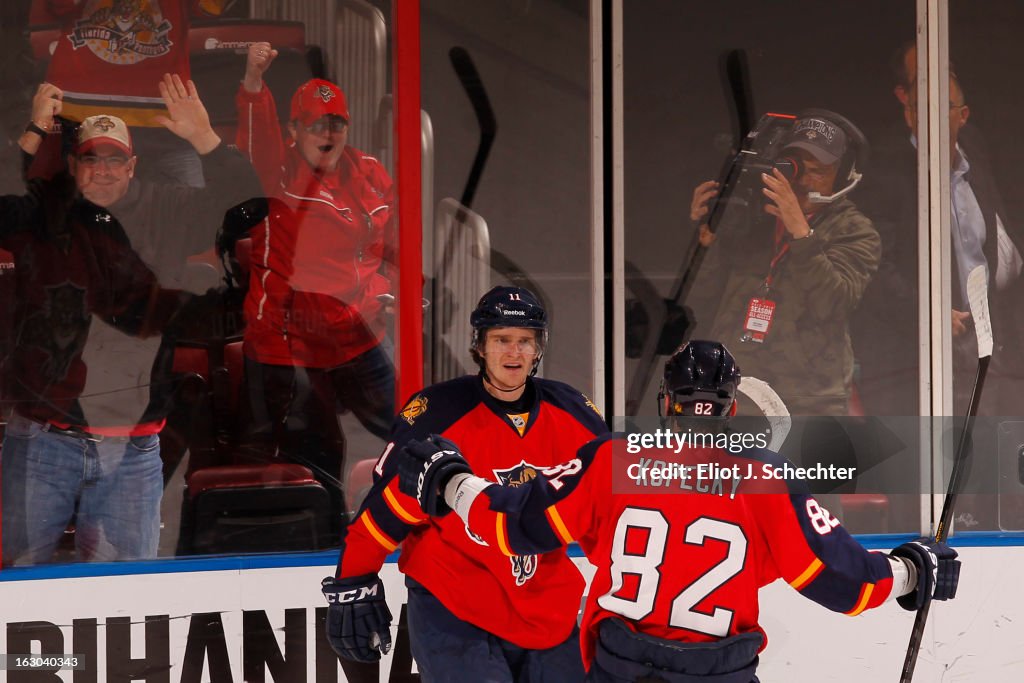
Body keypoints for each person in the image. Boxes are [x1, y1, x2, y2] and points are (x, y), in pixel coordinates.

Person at [393, 340, 962, 682]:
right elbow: (849, 586)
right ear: (732, 407)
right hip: (716, 672)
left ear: (665, 403)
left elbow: (513, 525)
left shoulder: (612, 460)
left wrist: (451, 482)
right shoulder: (762, 478)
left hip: (621, 665)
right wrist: (912, 569)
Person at [1, 73, 259, 565]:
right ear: (74, 165)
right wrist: (33, 130)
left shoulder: (167, 210)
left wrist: (205, 139)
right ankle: (53, 652)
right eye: (92, 158)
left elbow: (247, 210)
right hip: (42, 441)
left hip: (133, 450)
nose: (103, 170)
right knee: (20, 590)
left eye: (115, 158)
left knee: (126, 602)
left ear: (133, 164)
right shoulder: (45, 211)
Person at [320, 286, 610, 682]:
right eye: (502, 340)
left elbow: (608, 513)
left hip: (546, 607)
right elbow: (387, 508)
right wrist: (355, 580)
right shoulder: (437, 413)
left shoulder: (575, 413)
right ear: (480, 346)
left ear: (538, 348)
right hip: (453, 606)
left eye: (525, 341)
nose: (514, 352)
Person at [231, 41, 397, 524]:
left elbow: (386, 243)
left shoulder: (369, 172)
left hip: (356, 335)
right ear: (294, 130)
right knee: (317, 455)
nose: (328, 132)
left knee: (411, 434)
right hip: (290, 346)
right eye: (315, 124)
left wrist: (395, 287)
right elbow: (255, 134)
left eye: (336, 123)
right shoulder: (275, 170)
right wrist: (254, 83)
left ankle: (397, 524)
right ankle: (321, 550)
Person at [690, 112, 881, 417]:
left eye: (817, 171)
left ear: (843, 175)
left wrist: (801, 234)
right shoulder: (755, 216)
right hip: (733, 392)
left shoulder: (855, 229)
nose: (803, 181)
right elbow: (702, 293)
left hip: (808, 401)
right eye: (796, 167)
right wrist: (704, 240)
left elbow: (834, 303)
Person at [35, 0, 233, 186]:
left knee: (189, 214)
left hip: (165, 123)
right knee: (71, 216)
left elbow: (209, 8)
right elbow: (59, 6)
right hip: (82, 117)